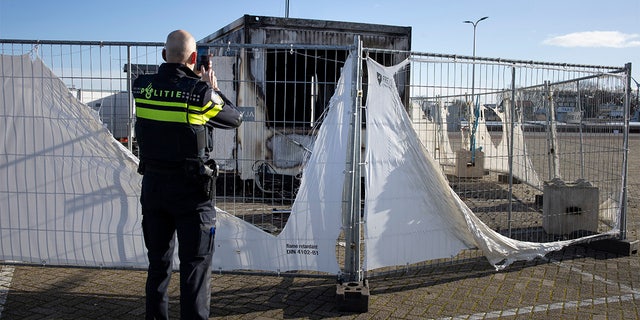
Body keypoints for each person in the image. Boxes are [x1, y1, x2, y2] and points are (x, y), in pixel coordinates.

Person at [133, 29, 242, 319]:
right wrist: (212, 87)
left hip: (154, 189)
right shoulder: (200, 94)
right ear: (194, 58)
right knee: (194, 268)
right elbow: (234, 118)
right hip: (192, 195)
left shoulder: (141, 88)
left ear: (163, 55)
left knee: (158, 266)